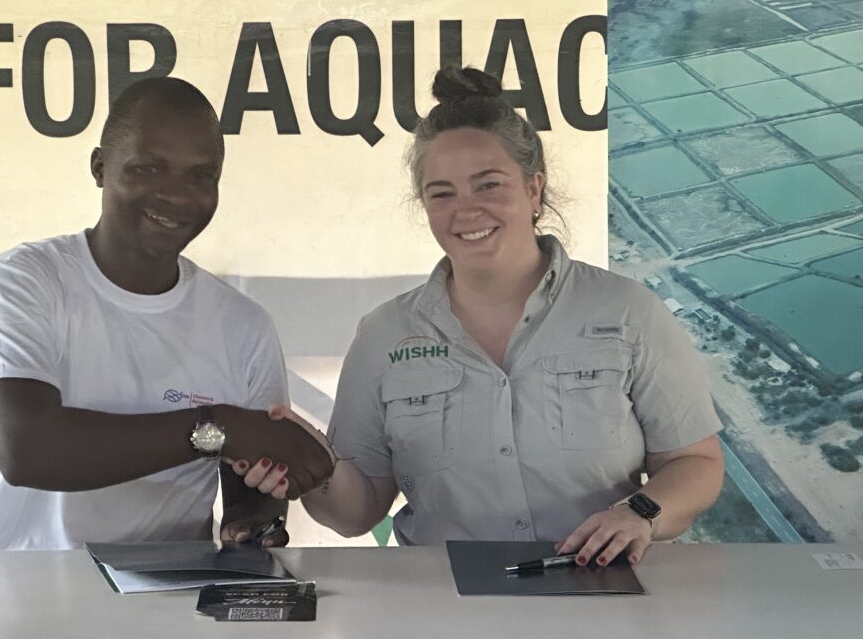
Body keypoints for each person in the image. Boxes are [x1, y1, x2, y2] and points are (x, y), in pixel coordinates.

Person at [234, 66, 725, 567]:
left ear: (534, 190)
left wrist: (637, 512)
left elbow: (696, 462)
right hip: (443, 604)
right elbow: (356, 514)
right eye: (441, 193)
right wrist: (314, 468)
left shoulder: (628, 312)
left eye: (488, 185)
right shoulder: (385, 334)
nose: (465, 211)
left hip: (602, 593)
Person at [0, 77, 333, 552]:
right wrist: (216, 427)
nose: (176, 195)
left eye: (201, 176)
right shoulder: (23, 281)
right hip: (19, 599)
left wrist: (251, 524)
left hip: (172, 602)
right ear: (99, 167)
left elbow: (251, 485)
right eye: (148, 168)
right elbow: (27, 450)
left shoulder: (243, 325)